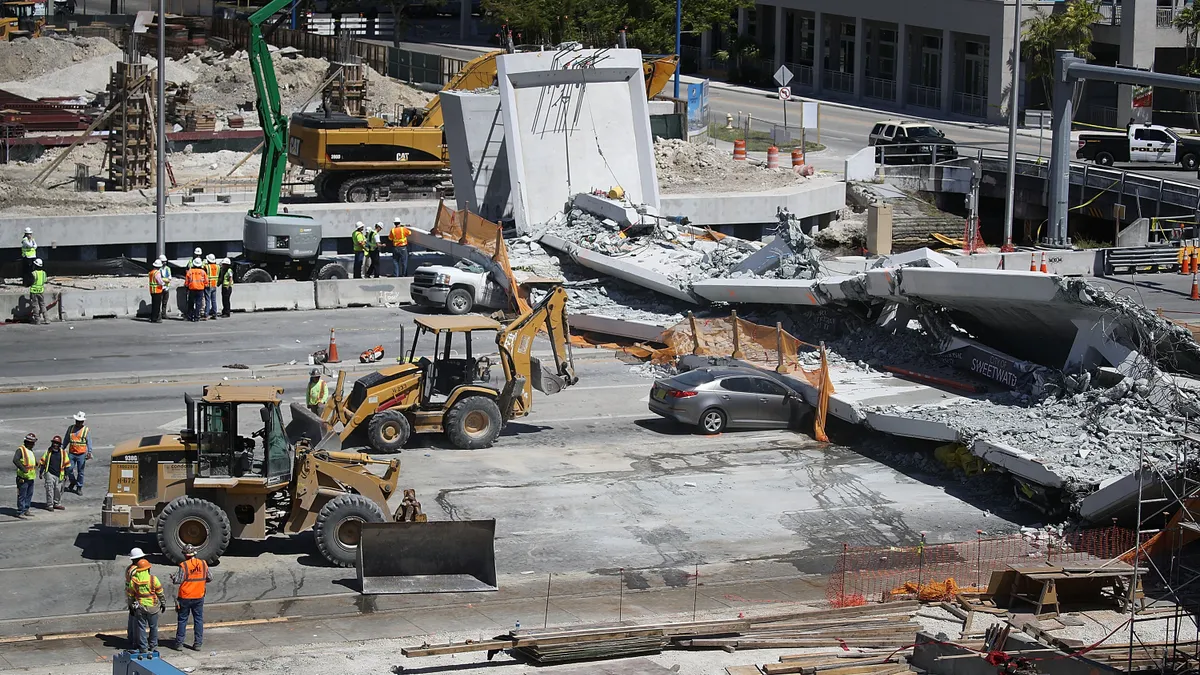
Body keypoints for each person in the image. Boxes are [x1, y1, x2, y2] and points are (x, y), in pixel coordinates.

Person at [171, 543, 211, 651]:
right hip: (199, 596)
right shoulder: (203, 563)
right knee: (198, 620)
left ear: (185, 555)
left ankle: (179, 643)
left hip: (185, 597)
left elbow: (178, 580)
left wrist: (173, 578)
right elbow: (209, 577)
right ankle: (198, 644)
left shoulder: (184, 565)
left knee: (182, 620)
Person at [127, 552, 166, 653]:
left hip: (140, 608)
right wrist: (163, 603)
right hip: (153, 607)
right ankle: (153, 646)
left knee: (141, 627)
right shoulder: (153, 579)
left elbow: (130, 596)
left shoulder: (134, 581)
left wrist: (131, 606)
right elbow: (160, 593)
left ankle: (143, 647)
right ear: (148, 569)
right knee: (153, 627)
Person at [65, 411, 92, 494]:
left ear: (83, 422)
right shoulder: (70, 428)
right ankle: (73, 481)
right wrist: (62, 447)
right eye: (77, 421)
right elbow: (66, 439)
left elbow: (89, 441)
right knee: (68, 469)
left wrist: (89, 451)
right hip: (72, 453)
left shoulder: (85, 430)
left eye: (80, 421)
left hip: (81, 454)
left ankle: (79, 487)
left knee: (81, 472)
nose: (78, 423)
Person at [37, 435, 66, 511]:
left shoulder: (63, 453)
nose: (55, 445)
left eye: (57, 443)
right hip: (49, 473)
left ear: (59, 445)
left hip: (59, 474)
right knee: (49, 489)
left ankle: (57, 503)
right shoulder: (48, 452)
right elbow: (43, 462)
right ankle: (50, 505)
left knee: (58, 490)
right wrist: (41, 472)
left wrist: (67, 474)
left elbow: (67, 464)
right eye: (54, 443)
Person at [13, 433, 37, 519]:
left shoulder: (30, 450)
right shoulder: (21, 450)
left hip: (30, 477)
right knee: (22, 495)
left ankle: (26, 509)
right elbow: (15, 460)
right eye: (32, 442)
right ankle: (20, 511)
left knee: (29, 494)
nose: (33, 444)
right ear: (27, 442)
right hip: (22, 477)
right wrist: (23, 469)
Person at [126, 548, 144, 648]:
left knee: (132, 617)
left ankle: (131, 638)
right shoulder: (136, 570)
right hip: (135, 597)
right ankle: (135, 641)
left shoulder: (129, 568)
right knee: (137, 620)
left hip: (130, 596)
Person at [28, 258, 47, 325]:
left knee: (35, 306)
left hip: (34, 291)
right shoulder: (44, 273)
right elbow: (44, 281)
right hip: (41, 291)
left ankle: (37, 320)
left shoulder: (34, 273)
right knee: (42, 305)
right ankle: (46, 319)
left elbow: (30, 282)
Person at [204, 254, 220, 320]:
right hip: (214, 285)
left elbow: (204, 275)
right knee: (214, 300)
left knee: (207, 300)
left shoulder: (207, 267)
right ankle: (215, 314)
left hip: (208, 285)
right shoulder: (218, 267)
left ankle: (206, 314)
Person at [157, 255, 172, 320]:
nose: (164, 263)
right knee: (159, 302)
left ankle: (164, 314)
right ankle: (159, 314)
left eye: (165, 261)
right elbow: (159, 279)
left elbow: (169, 278)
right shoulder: (158, 269)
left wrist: (164, 279)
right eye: (163, 262)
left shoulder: (168, 268)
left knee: (165, 302)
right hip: (160, 288)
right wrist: (165, 280)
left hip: (166, 288)